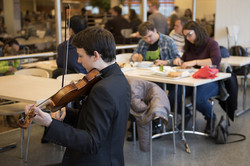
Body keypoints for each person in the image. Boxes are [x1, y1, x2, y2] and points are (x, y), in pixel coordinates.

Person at [24, 27, 131, 165]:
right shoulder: (119, 78)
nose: (79, 61)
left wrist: (49, 123)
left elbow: (92, 142)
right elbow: (95, 121)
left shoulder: (103, 89)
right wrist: (64, 114)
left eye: (80, 56)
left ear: (96, 55)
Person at [169, 21, 221, 134]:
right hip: (191, 80)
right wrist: (179, 61)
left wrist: (195, 62)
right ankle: (186, 114)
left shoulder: (211, 43)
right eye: (185, 36)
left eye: (189, 35)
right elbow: (185, 60)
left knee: (198, 99)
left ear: (197, 31)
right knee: (172, 96)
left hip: (209, 80)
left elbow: (216, 60)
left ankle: (211, 117)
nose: (187, 38)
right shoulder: (189, 45)